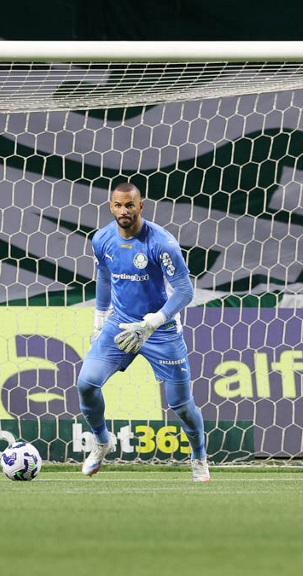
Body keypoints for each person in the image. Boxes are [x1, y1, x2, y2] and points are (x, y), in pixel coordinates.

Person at [76, 182, 210, 481]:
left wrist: (152, 322)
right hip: (120, 324)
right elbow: (104, 278)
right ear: (111, 206)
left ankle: (199, 456)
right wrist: (99, 321)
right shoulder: (101, 239)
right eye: (118, 205)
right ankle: (102, 441)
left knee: (182, 406)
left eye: (130, 205)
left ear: (141, 206)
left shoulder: (161, 243)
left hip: (160, 330)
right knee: (86, 383)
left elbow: (185, 291)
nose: (124, 211)